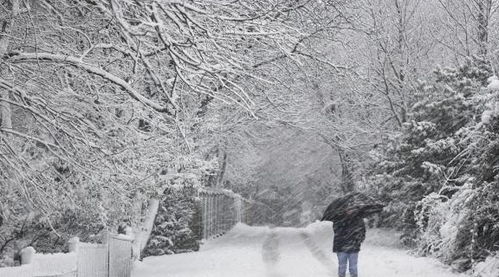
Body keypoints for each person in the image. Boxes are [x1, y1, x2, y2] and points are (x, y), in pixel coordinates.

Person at [332, 209, 366, 277]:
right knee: (342, 267)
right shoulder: (339, 218)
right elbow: (336, 230)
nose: (350, 210)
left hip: (354, 246)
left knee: (353, 267)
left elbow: (363, 232)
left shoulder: (358, 219)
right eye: (348, 209)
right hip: (341, 246)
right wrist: (343, 224)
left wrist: (359, 239)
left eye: (351, 209)